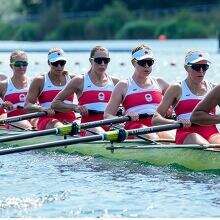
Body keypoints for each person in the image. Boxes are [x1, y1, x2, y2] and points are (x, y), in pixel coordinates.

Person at [104, 44, 173, 140]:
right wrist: (126, 116)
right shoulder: (123, 85)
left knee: (171, 138)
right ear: (133, 63)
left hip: (158, 124)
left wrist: (171, 108)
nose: (146, 66)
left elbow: (179, 102)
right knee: (153, 138)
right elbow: (107, 116)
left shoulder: (160, 83)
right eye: (142, 62)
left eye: (149, 62)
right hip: (135, 126)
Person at [152, 49, 220, 144]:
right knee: (203, 144)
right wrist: (175, 123)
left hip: (211, 131)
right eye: (197, 67)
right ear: (186, 68)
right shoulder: (177, 88)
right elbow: (155, 119)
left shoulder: (213, 88)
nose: (201, 71)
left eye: (204, 67)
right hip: (187, 132)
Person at [52, 46, 119, 134]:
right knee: (100, 132)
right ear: (91, 61)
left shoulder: (115, 82)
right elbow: (55, 103)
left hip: (111, 124)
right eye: (99, 60)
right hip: (89, 126)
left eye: (106, 60)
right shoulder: (79, 80)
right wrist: (75, 107)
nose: (102, 64)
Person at [25, 48, 76, 130]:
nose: (59, 66)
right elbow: (27, 105)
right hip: (47, 119)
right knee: (60, 127)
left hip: (70, 118)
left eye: (62, 63)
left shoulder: (72, 79)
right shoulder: (40, 80)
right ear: (49, 63)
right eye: (55, 63)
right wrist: (41, 108)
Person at [0, 50, 33, 130]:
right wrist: (2, 104)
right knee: (27, 125)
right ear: (11, 66)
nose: (22, 67)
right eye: (18, 64)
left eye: (24, 64)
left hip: (33, 117)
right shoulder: (3, 85)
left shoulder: (33, 82)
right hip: (14, 120)